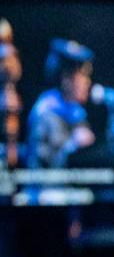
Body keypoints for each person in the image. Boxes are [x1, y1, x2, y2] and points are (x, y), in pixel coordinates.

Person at [27, 38, 95, 168]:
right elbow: (42, 164)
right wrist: (73, 145)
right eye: (82, 75)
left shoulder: (77, 113)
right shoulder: (46, 113)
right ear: (65, 79)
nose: (87, 82)